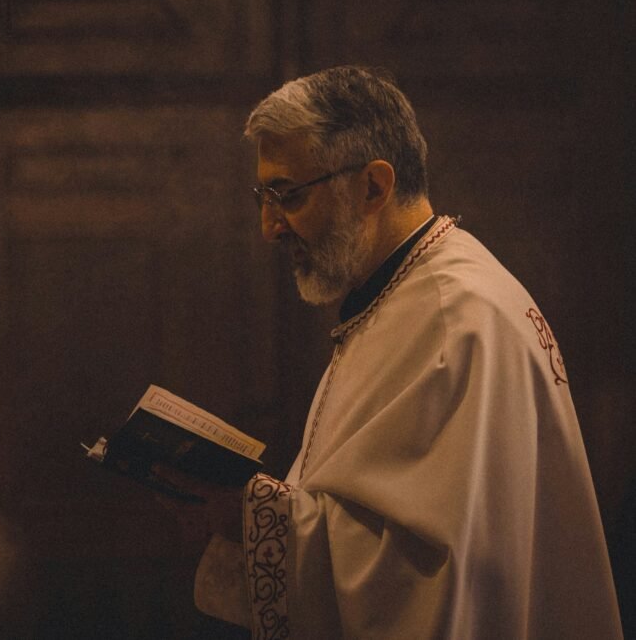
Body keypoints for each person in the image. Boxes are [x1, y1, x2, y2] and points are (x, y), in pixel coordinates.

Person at [158, 66, 623, 638]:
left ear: (373, 186)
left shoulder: (454, 319)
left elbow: (426, 576)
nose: (269, 228)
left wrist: (253, 518)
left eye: (288, 197)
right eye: (264, 197)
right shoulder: (415, 292)